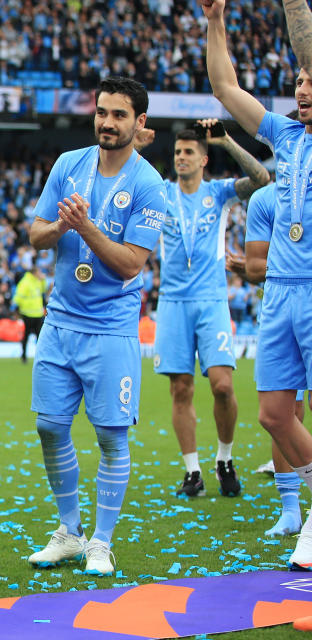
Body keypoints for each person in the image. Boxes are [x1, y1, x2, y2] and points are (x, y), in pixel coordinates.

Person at [26, 76, 166, 576]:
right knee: (49, 426)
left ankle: (101, 542)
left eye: (120, 115)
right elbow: (36, 234)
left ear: (140, 123)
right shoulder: (69, 165)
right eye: (102, 112)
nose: (107, 122)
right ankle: (69, 532)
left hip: (111, 327)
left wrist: (86, 226)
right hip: (60, 322)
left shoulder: (149, 184)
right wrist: (63, 225)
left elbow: (131, 264)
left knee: (110, 435)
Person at [203, 0, 312, 569]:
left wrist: (294, 3)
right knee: (273, 414)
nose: (302, 87)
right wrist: (215, 19)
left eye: (311, 78)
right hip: (281, 296)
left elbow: (309, 49)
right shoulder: (286, 137)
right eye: (297, 80)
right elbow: (224, 84)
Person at [140, 119, 268, 499]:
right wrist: (138, 147)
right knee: (181, 389)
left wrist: (227, 140)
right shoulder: (161, 194)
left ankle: (225, 459)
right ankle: (192, 471)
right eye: (177, 152)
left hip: (212, 301)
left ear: (203, 158)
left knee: (223, 386)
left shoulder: (221, 192)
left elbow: (261, 179)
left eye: (189, 152)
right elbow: (123, 177)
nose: (181, 157)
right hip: (174, 304)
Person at [228, 182, 308, 536]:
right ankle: (290, 509)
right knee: (281, 415)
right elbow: (256, 266)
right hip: (283, 306)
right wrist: (291, 257)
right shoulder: (265, 199)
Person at [13, 266, 47, 363]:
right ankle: (24, 356)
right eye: (39, 271)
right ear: (34, 272)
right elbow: (18, 297)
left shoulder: (37, 281)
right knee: (26, 335)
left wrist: (43, 280)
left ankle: (40, 356)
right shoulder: (25, 282)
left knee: (39, 336)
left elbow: (43, 290)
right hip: (27, 313)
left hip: (38, 312)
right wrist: (19, 308)